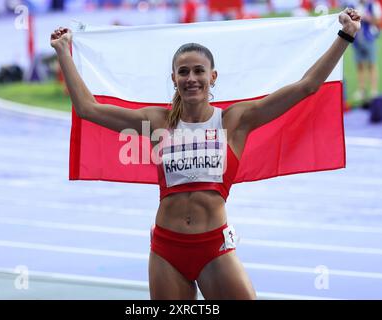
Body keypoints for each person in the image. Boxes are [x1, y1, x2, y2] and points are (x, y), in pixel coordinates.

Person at [50, 8, 360, 300]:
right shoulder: (156, 122)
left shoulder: (234, 120)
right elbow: (87, 109)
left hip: (213, 247)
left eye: (199, 71)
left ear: (213, 76)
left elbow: (306, 87)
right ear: (174, 78)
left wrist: (344, 36)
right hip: (166, 249)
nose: (191, 78)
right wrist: (63, 51)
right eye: (183, 71)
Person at [350, 0, 382, 102]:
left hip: (369, 38)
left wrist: (368, 18)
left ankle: (374, 90)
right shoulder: (353, 5)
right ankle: (361, 90)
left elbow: (379, 21)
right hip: (356, 39)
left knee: (372, 64)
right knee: (359, 65)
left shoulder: (373, 4)